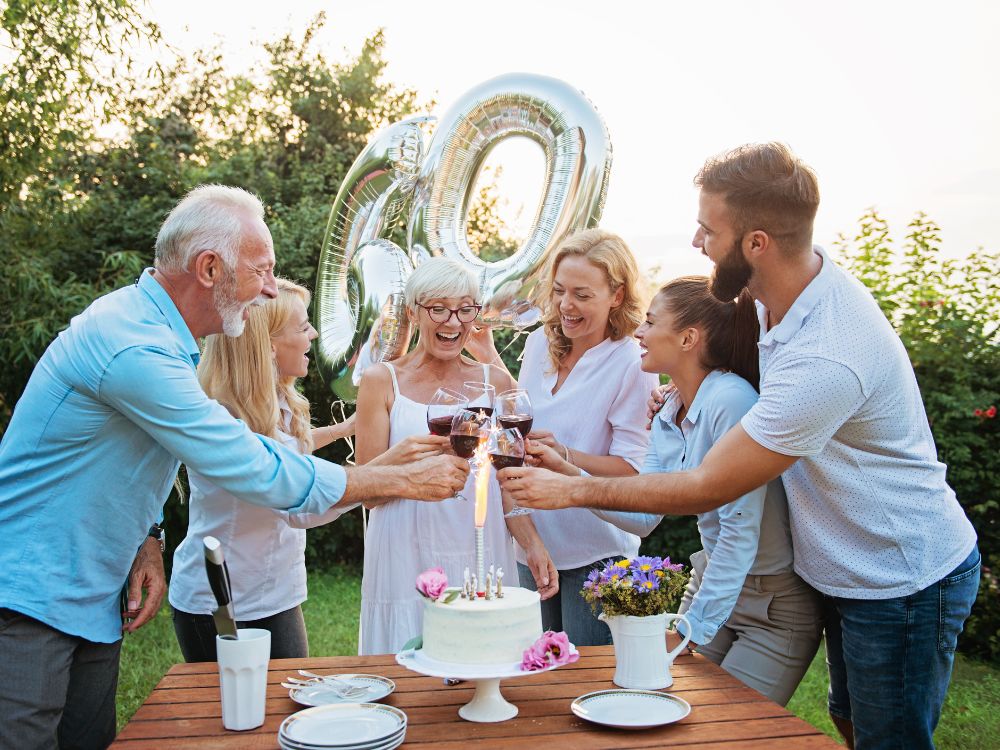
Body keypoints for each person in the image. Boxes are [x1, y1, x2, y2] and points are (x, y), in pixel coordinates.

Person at [499, 143, 980, 750]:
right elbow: (721, 395)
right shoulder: (770, 305)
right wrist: (679, 401)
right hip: (832, 569)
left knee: (888, 742)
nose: (698, 242)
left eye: (709, 230)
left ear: (756, 243)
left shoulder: (828, 351)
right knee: (852, 725)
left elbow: (711, 486)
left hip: (900, 573)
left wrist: (572, 488)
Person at [0, 185, 468, 749]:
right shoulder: (134, 348)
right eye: (263, 271)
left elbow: (135, 460)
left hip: (93, 598)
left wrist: (148, 537)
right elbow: (254, 467)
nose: (270, 288)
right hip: (29, 598)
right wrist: (395, 479)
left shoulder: (163, 339)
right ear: (209, 268)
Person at [530, 275, 823, 704]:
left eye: (650, 323)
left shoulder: (731, 401)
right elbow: (645, 516)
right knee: (667, 710)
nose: (639, 332)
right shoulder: (670, 407)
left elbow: (740, 532)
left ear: (688, 338)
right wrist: (568, 474)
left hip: (771, 607)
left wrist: (691, 630)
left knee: (726, 730)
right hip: (712, 584)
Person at [354, 256, 558, 655]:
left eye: (466, 309)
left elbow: (509, 479)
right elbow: (368, 492)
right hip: (403, 546)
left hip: (477, 540)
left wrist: (531, 542)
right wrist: (409, 459)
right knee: (409, 661)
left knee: (481, 655)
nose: (453, 322)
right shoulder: (382, 381)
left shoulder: (496, 382)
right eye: (439, 309)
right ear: (414, 312)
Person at [467, 228, 657, 646]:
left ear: (617, 295)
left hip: (598, 553)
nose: (566, 306)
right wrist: (488, 357)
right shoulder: (538, 343)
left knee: (588, 685)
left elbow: (631, 471)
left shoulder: (632, 361)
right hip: (531, 540)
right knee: (531, 680)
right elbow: (520, 417)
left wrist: (567, 455)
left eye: (582, 295)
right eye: (559, 291)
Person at [168, 278, 368, 660]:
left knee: (280, 706)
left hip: (273, 590)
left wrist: (345, 429)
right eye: (302, 325)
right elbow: (299, 508)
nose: (312, 334)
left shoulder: (275, 397)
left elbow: (290, 448)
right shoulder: (226, 419)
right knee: (235, 714)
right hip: (223, 603)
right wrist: (374, 479)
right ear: (270, 346)